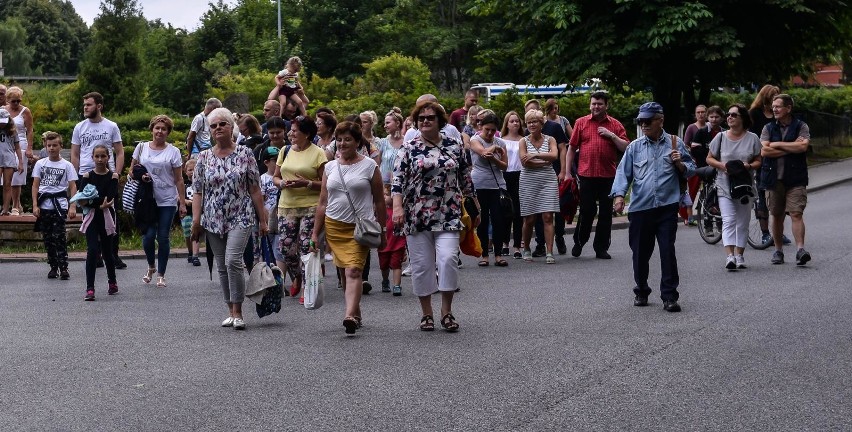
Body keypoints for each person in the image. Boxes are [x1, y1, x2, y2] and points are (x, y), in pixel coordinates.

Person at [392, 101, 478, 332]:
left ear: (440, 121)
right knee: (421, 266)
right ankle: (426, 313)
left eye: (430, 117)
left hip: (448, 212)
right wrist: (398, 208)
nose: (425, 121)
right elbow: (397, 181)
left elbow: (465, 176)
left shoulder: (454, 145)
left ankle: (446, 311)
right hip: (416, 214)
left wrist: (473, 203)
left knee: (448, 259)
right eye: (421, 118)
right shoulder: (408, 148)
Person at [611, 102, 695, 313]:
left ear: (661, 120)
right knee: (640, 252)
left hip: (667, 206)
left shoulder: (675, 143)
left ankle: (669, 296)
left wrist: (680, 164)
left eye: (648, 121)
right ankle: (641, 289)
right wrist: (619, 196)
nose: (644, 124)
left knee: (668, 251)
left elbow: (691, 170)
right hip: (641, 208)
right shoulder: (634, 147)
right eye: (641, 121)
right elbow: (623, 174)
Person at [192, 107, 268, 330]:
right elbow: (197, 191)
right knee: (222, 266)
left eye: (222, 124)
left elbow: (255, 189)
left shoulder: (245, 154)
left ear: (230, 127)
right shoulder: (204, 157)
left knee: (232, 260)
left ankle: (239, 311)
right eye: (213, 126)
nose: (217, 129)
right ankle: (229, 309)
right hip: (213, 218)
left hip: (241, 215)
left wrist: (262, 220)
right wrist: (196, 221)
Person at [312, 121, 386, 335]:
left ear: (358, 142)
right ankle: (356, 312)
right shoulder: (330, 167)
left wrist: (383, 230)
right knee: (345, 272)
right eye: (339, 139)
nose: (343, 144)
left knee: (354, 269)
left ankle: (349, 315)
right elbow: (322, 202)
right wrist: (315, 234)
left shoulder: (370, 166)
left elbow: (379, 201)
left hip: (360, 227)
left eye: (348, 139)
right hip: (334, 225)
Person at [565, 91, 629, 259]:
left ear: (606, 105)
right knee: (587, 210)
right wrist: (567, 172)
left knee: (606, 213)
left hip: (608, 176)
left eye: (599, 104)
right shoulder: (581, 123)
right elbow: (571, 148)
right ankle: (579, 241)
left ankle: (601, 248)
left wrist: (612, 136)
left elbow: (625, 148)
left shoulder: (615, 125)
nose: (596, 106)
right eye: (593, 103)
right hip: (586, 175)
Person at [273, 115, 327, 301]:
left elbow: (325, 184)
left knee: (306, 246)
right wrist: (281, 184)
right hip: (287, 205)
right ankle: (296, 276)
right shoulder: (285, 150)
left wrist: (307, 183)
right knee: (286, 247)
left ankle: (305, 285)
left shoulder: (318, 153)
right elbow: (275, 177)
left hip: (311, 206)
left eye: (295, 131)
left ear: (306, 133)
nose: (291, 133)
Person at [71, 92, 127, 269]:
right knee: (90, 213)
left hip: (106, 175)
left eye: (89, 104)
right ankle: (94, 254)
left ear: (99, 106)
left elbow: (119, 151)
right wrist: (77, 176)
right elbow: (75, 153)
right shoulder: (79, 127)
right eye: (84, 105)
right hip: (87, 175)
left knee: (110, 212)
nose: (85, 108)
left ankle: (113, 254)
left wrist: (116, 173)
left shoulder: (111, 126)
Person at [130, 115, 187, 288]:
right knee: (148, 237)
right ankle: (151, 266)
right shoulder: (141, 148)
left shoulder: (173, 152)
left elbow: (179, 179)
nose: (160, 131)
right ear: (152, 129)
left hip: (167, 200)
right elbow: (132, 171)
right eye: (157, 128)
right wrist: (143, 176)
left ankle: (161, 274)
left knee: (163, 237)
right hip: (147, 199)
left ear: (168, 132)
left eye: (164, 129)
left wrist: (182, 202)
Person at [706, 104, 763, 270]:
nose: (729, 117)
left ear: (742, 118)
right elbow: (709, 158)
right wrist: (723, 166)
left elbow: (759, 160)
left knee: (742, 223)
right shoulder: (721, 137)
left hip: (744, 186)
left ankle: (740, 255)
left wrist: (749, 166)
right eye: (728, 114)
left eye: (733, 115)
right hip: (724, 185)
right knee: (729, 220)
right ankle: (730, 256)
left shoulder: (752, 138)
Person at [760, 94, 811, 266]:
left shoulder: (801, 126)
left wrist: (777, 145)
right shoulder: (767, 128)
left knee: (796, 213)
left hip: (796, 177)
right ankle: (778, 250)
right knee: (777, 215)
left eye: (778, 106)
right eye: (773, 106)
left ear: (788, 108)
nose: (774, 109)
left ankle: (800, 250)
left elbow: (803, 146)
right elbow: (765, 151)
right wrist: (791, 148)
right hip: (773, 178)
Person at [524, 99, 570, 256]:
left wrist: (563, 171)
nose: (532, 122)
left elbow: (562, 149)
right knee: (539, 212)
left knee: (556, 209)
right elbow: (525, 159)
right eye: (528, 118)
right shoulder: (526, 134)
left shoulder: (555, 127)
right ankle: (540, 244)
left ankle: (560, 237)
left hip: (554, 171)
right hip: (534, 175)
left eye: (534, 117)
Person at [32, 131, 78, 280]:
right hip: (44, 204)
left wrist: (72, 206)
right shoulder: (40, 163)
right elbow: (35, 185)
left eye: (54, 145)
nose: (51, 148)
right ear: (45, 146)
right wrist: (35, 205)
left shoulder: (67, 165)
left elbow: (72, 187)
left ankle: (64, 267)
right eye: (49, 145)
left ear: (61, 146)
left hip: (60, 205)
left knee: (60, 237)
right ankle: (53, 267)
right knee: (48, 238)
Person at [78, 145, 120, 301]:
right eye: (97, 156)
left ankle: (112, 282)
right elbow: (82, 199)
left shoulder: (113, 176)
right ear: (92, 157)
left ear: (108, 157)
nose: (100, 159)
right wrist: (96, 204)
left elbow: (110, 197)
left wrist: (94, 202)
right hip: (92, 217)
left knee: (108, 252)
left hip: (107, 217)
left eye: (103, 156)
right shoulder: (87, 176)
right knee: (92, 250)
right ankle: (90, 288)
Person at [518, 109, 560, 263]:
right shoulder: (523, 141)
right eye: (529, 122)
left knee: (548, 216)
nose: (531, 124)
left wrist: (535, 155)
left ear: (542, 123)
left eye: (535, 121)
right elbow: (524, 161)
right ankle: (527, 248)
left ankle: (549, 252)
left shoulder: (550, 139)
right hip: (528, 180)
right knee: (529, 218)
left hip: (548, 180)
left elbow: (554, 156)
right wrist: (545, 161)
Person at [469, 112, 508, 266]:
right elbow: (484, 153)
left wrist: (494, 157)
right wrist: (493, 149)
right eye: (487, 129)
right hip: (479, 185)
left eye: (493, 130)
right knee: (483, 220)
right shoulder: (474, 140)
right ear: (481, 127)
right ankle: (484, 255)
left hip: (497, 185)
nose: (490, 133)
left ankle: (498, 254)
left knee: (499, 219)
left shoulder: (501, 142)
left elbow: (505, 166)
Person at [749, 85, 783, 247]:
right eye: (773, 96)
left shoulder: (779, 115)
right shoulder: (755, 114)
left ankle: (778, 232)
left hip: (778, 159)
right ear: (766, 97)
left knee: (778, 195)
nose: (776, 98)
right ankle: (764, 233)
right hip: (762, 160)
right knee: (762, 195)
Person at [4, 87, 34, 215]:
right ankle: (14, 204)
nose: (16, 104)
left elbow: (30, 130)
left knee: (17, 176)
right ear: (8, 100)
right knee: (7, 177)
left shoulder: (25, 111)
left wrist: (29, 148)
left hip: (20, 144)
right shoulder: (3, 111)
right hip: (6, 144)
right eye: (13, 101)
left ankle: (15, 205)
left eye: (18, 101)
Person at [500, 111, 524, 259]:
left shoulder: (524, 140)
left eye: (517, 121)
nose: (515, 123)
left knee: (518, 212)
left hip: (520, 175)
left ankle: (517, 245)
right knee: (505, 210)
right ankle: (504, 243)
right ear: (507, 124)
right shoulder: (501, 140)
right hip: (505, 175)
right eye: (512, 121)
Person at [680, 104, 708, 225]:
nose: (701, 114)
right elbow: (685, 145)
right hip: (694, 163)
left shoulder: (710, 127)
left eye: (703, 112)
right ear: (695, 114)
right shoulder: (691, 128)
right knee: (691, 190)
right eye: (698, 112)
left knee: (708, 189)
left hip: (707, 162)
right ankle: (688, 216)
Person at [378, 187, 405, 295]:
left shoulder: (399, 211)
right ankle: (385, 280)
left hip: (398, 243)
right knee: (383, 265)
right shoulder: (381, 210)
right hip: (384, 243)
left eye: (386, 195)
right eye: (383, 194)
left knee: (396, 264)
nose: (384, 197)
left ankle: (397, 285)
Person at [0, 108, 24, 216]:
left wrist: (20, 162)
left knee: (7, 184)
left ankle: (5, 209)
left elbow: (17, 147)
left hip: (9, 158)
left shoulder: (12, 131)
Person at [180, 158, 201, 266]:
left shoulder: (200, 183)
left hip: (197, 213)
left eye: (194, 169)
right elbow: (178, 197)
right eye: (190, 170)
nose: (192, 172)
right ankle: (190, 251)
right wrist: (186, 201)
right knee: (187, 234)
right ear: (185, 171)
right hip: (186, 213)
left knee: (195, 231)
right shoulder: (183, 184)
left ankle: (195, 256)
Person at [377, 107, 405, 185]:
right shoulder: (383, 142)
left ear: (397, 123)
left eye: (388, 123)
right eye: (385, 123)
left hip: (401, 185)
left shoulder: (407, 143)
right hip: (384, 187)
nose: (385, 126)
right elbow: (377, 165)